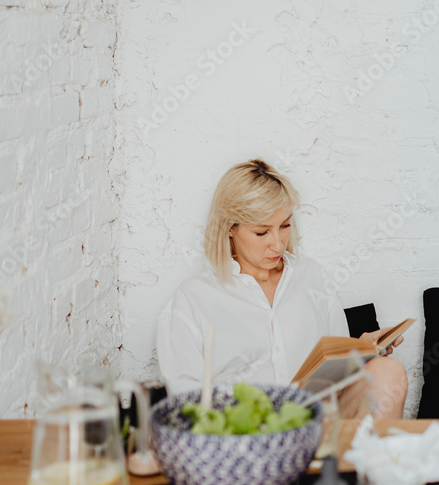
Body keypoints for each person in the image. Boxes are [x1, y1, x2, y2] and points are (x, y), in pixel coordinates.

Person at [156, 159, 407, 418]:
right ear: (229, 228)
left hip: (317, 423)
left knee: (389, 372)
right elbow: (187, 403)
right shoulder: (193, 299)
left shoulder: (312, 277)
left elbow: (337, 379)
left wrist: (360, 351)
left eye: (285, 226)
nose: (277, 244)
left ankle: (362, 456)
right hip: (245, 439)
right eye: (262, 232)